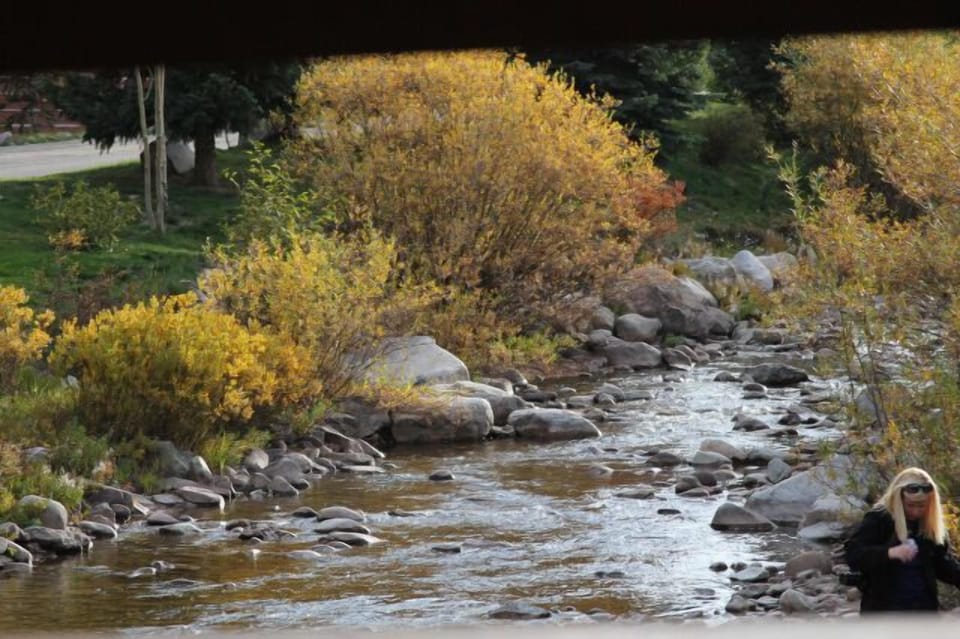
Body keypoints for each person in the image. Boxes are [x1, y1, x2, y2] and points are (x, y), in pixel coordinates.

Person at [844, 467, 960, 613]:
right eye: (910, 505)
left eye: (922, 506)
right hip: (883, 611)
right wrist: (889, 553)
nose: (916, 511)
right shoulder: (880, 518)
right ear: (898, 499)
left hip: (923, 610)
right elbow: (854, 554)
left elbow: (942, 564)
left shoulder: (928, 525)